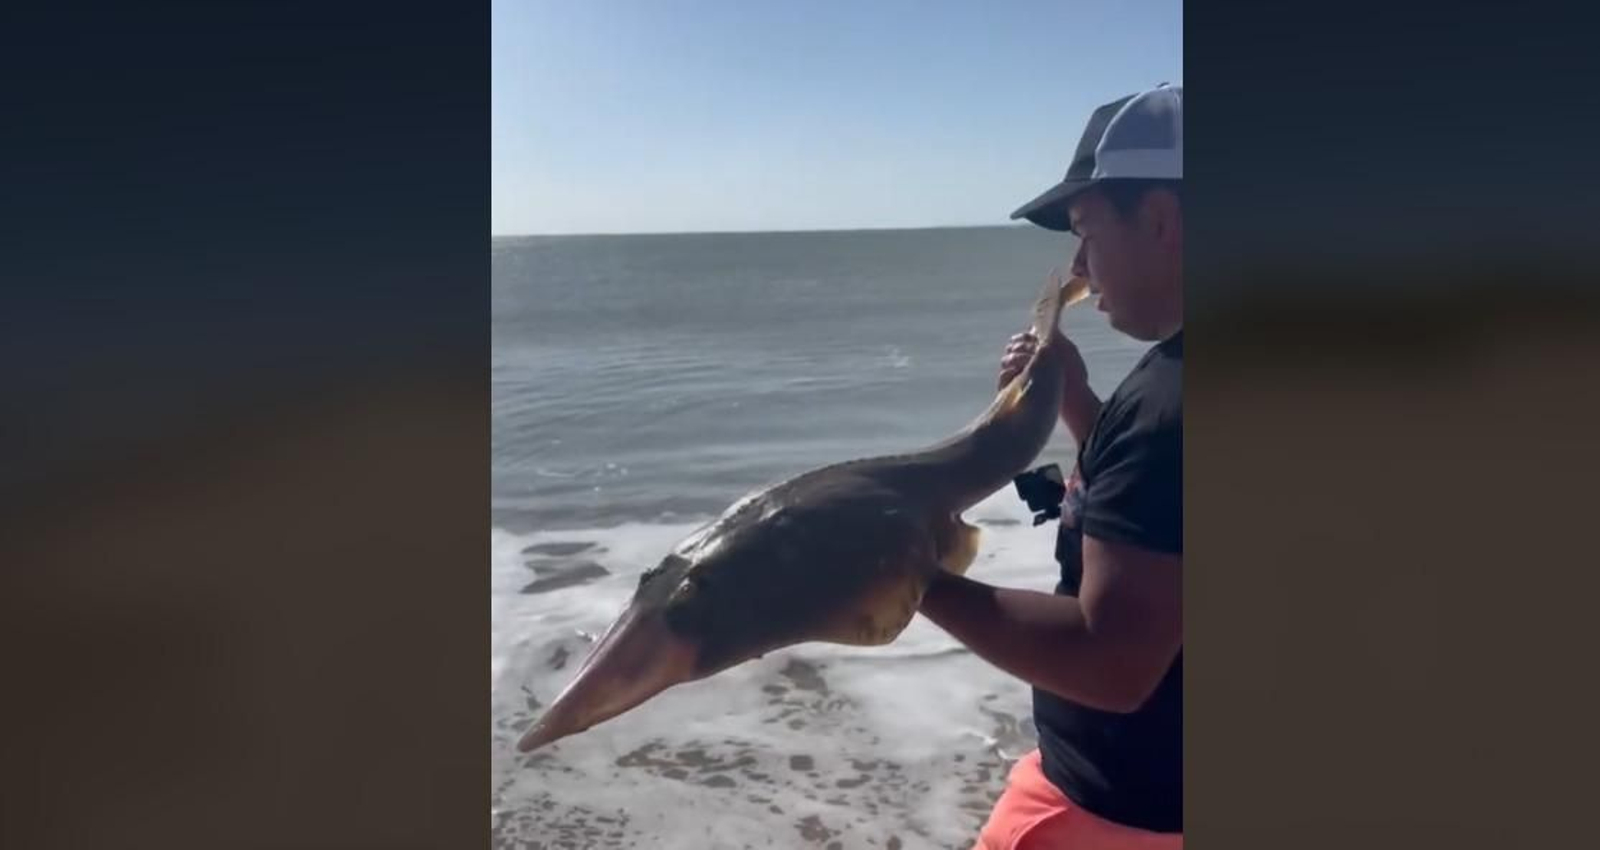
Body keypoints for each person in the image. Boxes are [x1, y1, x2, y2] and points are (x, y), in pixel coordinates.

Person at [917, 84, 1183, 849]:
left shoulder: (1170, 407)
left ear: (1161, 219)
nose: (1078, 265)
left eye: (1085, 231)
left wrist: (906, 577)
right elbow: (1167, 520)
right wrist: (1079, 404)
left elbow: (1113, 663)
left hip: (1113, 814)